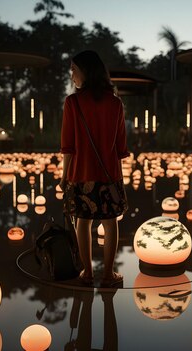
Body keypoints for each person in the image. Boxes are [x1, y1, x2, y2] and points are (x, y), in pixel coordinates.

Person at [59, 50, 129, 287]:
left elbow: (68, 146)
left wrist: (64, 176)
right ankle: (108, 274)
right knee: (111, 223)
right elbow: (120, 147)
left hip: (81, 174)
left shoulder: (72, 103)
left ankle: (87, 273)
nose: (71, 76)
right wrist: (118, 177)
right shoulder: (116, 103)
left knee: (83, 221)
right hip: (110, 174)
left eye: (73, 70)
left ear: (86, 72)